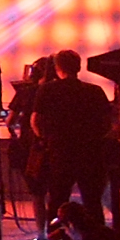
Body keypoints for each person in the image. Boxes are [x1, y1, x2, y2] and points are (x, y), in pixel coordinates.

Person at [27, 49, 112, 226]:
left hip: (60, 152)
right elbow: (107, 123)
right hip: (90, 152)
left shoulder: (47, 90)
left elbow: (36, 120)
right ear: (78, 67)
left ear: (57, 68)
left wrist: (45, 138)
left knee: (57, 199)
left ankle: (56, 236)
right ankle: (96, 236)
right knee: (92, 201)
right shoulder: (94, 91)